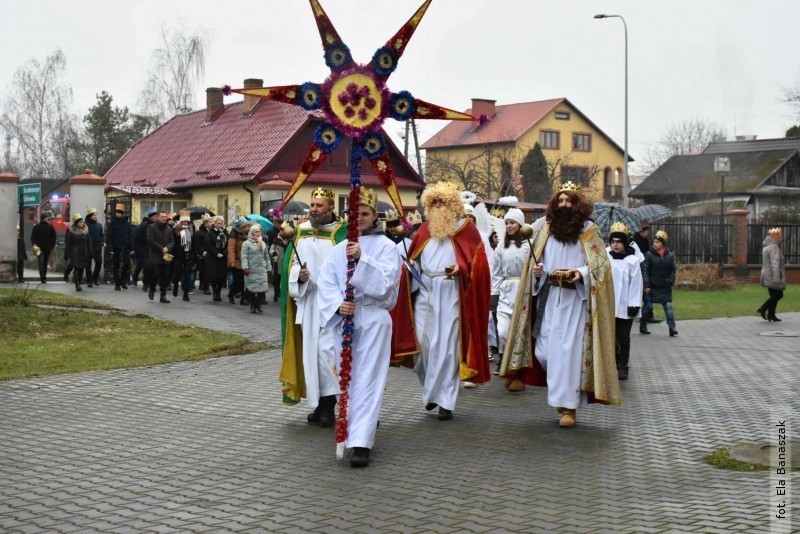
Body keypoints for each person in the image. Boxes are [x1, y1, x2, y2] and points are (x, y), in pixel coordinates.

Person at [500, 182, 619, 427]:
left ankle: (569, 408)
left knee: (568, 353)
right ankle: (562, 397)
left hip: (575, 301)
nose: (564, 205)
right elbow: (537, 262)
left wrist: (582, 273)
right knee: (544, 352)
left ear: (578, 205)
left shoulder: (588, 231)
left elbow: (601, 266)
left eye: (569, 201)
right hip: (550, 297)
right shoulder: (545, 230)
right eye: (561, 201)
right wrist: (537, 272)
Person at [391, 181, 491, 421]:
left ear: (453, 205)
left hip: (452, 294)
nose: (437, 207)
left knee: (446, 349)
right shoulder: (425, 230)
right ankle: (432, 391)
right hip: (425, 291)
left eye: (442, 202)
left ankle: (445, 401)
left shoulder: (468, 230)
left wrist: (461, 268)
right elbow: (414, 258)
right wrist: (413, 266)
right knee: (423, 348)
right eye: (433, 202)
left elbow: (481, 268)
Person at [317, 189, 400, 467]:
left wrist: (363, 259)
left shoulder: (388, 247)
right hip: (346, 321)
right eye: (355, 214)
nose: (359, 218)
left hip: (374, 319)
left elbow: (386, 286)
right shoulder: (339, 249)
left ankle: (361, 442)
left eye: (365, 213)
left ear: (375, 215)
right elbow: (326, 282)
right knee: (348, 378)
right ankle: (356, 426)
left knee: (368, 378)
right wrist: (338, 304)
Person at [279, 187, 347, 426]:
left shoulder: (342, 233)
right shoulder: (301, 232)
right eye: (312, 205)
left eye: (319, 205)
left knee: (327, 354)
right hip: (308, 302)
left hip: (331, 305)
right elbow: (290, 265)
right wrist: (299, 275)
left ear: (331, 207)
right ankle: (318, 404)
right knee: (310, 354)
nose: (314, 210)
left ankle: (329, 406)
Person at [491, 207, 530, 383]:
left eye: (512, 222)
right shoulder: (501, 246)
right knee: (503, 331)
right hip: (506, 291)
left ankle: (516, 369)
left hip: (522, 291)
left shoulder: (529, 245)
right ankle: (503, 359)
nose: (509, 226)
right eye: (506, 223)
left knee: (518, 333)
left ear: (520, 224)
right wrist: (494, 293)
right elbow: (497, 272)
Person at [606, 222, 643, 380]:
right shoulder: (605, 256)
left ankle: (623, 365)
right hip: (608, 304)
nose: (615, 245)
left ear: (624, 243)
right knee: (610, 336)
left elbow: (636, 283)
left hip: (625, 305)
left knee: (623, 336)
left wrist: (634, 303)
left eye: (619, 242)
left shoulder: (632, 261)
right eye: (613, 242)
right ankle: (612, 361)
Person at [643, 230, 678, 336]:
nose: (655, 244)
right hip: (652, 286)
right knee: (647, 307)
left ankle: (672, 328)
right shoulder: (648, 255)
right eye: (654, 242)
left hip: (665, 286)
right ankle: (643, 325)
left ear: (663, 244)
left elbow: (673, 270)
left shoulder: (669, 256)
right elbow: (645, 270)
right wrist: (647, 284)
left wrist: (671, 281)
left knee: (668, 307)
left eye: (657, 242)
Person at [146, 212, 175, 303]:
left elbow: (172, 241)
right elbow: (150, 240)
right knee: (156, 274)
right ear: (157, 217)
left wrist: (167, 248)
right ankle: (152, 288)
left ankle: (163, 295)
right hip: (155, 255)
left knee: (166, 276)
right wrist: (161, 248)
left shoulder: (169, 229)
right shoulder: (152, 227)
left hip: (166, 256)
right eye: (162, 217)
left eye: (165, 217)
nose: (164, 218)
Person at [758, 227, 786, 322]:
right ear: (775, 237)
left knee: (774, 295)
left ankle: (771, 315)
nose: (781, 238)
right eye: (780, 236)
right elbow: (775, 263)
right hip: (773, 275)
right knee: (779, 295)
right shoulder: (774, 248)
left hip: (766, 274)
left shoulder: (766, 247)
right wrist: (776, 278)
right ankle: (763, 308)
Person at [241, 223, 270, 313]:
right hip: (251, 269)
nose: (258, 233)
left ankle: (258, 304)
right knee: (252, 289)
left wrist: (269, 268)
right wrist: (245, 267)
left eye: (259, 232)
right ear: (252, 233)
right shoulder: (246, 243)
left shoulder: (263, 243)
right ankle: (253, 305)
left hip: (262, 270)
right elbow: (244, 256)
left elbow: (267, 257)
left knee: (262, 289)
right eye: (256, 232)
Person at [64, 214, 94, 291]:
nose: (82, 223)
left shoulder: (86, 231)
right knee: (77, 268)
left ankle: (79, 282)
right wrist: (67, 254)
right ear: (76, 223)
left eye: (82, 222)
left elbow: (89, 242)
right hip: (75, 252)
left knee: (81, 269)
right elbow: (68, 243)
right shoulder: (72, 231)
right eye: (80, 222)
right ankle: (77, 284)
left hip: (84, 252)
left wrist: (91, 251)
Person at [107, 203, 132, 290]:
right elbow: (109, 236)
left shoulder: (126, 223)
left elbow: (130, 235)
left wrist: (131, 248)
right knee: (116, 265)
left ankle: (123, 281)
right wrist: (110, 249)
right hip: (115, 247)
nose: (118, 214)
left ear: (122, 213)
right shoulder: (112, 223)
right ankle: (117, 284)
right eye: (117, 212)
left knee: (127, 264)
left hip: (125, 246)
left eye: (120, 212)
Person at [203, 216, 228, 301]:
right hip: (212, 257)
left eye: (221, 223)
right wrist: (216, 253)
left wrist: (223, 253)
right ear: (215, 223)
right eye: (218, 223)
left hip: (222, 258)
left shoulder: (225, 232)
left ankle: (218, 293)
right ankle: (214, 292)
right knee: (213, 277)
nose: (220, 225)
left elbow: (228, 244)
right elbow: (208, 245)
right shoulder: (210, 232)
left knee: (221, 277)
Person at [172, 212, 195, 302]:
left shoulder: (191, 230)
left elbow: (194, 244)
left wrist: (193, 255)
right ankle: (176, 286)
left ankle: (185, 293)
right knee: (177, 273)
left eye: (187, 221)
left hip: (188, 255)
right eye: (184, 221)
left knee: (187, 275)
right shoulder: (176, 230)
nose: (185, 223)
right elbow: (173, 244)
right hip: (178, 255)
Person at [227, 217, 251, 305]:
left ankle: (243, 299)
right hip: (237, 261)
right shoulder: (234, 234)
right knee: (238, 281)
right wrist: (232, 261)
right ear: (241, 227)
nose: (247, 228)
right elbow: (231, 248)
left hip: (245, 261)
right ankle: (231, 294)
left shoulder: (248, 235)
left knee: (244, 282)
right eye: (245, 227)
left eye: (248, 227)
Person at [132, 209, 158, 289]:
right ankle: (140, 280)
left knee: (150, 266)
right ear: (150, 217)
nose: (156, 218)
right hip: (143, 248)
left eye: (157, 216)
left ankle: (148, 282)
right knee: (143, 265)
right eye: (154, 216)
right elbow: (139, 238)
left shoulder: (157, 226)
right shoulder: (144, 226)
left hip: (152, 249)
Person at [31, 213, 57, 284]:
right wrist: (52, 245)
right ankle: (43, 277)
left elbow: (54, 236)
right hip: (42, 248)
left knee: (43, 262)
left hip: (44, 248)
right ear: (43, 218)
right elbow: (54, 237)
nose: (47, 219)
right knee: (43, 262)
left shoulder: (40, 227)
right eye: (46, 218)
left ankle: (43, 276)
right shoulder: (48, 227)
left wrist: (34, 244)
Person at [269, 223, 289, 304]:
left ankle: (284, 294)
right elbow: (271, 249)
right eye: (280, 230)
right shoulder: (276, 239)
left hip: (286, 262)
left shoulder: (289, 240)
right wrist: (273, 252)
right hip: (278, 262)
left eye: (282, 230)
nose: (281, 232)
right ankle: (276, 293)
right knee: (276, 279)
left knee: (285, 279)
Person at [85, 208, 104, 286]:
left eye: (96, 215)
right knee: (88, 265)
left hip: (97, 247)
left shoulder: (99, 225)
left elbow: (101, 235)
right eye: (94, 215)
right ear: (90, 216)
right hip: (88, 248)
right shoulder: (85, 225)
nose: (95, 216)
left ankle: (95, 278)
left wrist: (101, 241)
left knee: (99, 263)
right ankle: (89, 281)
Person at [195, 214, 213, 295]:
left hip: (211, 254)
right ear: (205, 224)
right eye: (210, 222)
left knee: (208, 271)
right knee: (204, 271)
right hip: (203, 255)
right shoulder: (199, 233)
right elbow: (197, 244)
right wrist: (202, 252)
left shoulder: (212, 232)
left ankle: (203, 284)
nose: (211, 223)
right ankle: (206, 287)